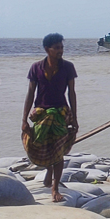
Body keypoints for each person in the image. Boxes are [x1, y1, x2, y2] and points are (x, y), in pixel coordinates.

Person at [21, 33, 78, 202]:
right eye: (57, 48)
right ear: (48, 49)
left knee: (58, 151)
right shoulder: (36, 67)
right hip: (41, 114)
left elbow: (72, 93)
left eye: (62, 47)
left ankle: (55, 188)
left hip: (60, 113)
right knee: (40, 146)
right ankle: (49, 171)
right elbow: (30, 93)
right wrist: (24, 119)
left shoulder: (68, 67)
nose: (60, 50)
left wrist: (74, 117)